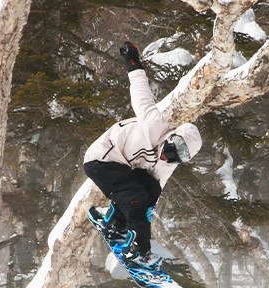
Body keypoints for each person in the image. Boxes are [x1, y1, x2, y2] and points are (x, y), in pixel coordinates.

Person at [84, 41, 202, 263]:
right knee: (135, 197)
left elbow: (153, 193)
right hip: (102, 157)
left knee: (147, 189)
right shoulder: (155, 124)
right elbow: (141, 93)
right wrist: (132, 62)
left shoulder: (168, 165)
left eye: (177, 158)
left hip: (123, 167)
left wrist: (143, 214)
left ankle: (115, 223)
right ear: (171, 138)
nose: (168, 157)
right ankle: (140, 249)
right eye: (171, 150)